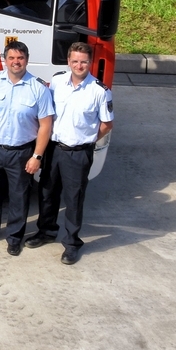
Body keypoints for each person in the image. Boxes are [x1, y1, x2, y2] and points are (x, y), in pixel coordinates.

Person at [28, 42, 113, 265]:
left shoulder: (99, 91)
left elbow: (106, 124)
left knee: (74, 199)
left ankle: (72, 244)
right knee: (47, 192)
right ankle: (46, 231)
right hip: (54, 149)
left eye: (83, 62)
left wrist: (87, 140)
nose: (79, 65)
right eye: (74, 61)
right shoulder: (57, 81)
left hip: (78, 153)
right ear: (68, 61)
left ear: (90, 62)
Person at [0, 39, 55, 256]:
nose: (16, 62)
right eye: (11, 58)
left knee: (19, 197)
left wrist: (37, 156)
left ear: (27, 60)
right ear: (5, 60)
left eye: (20, 58)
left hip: (22, 152)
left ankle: (15, 238)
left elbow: (46, 125)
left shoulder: (38, 88)